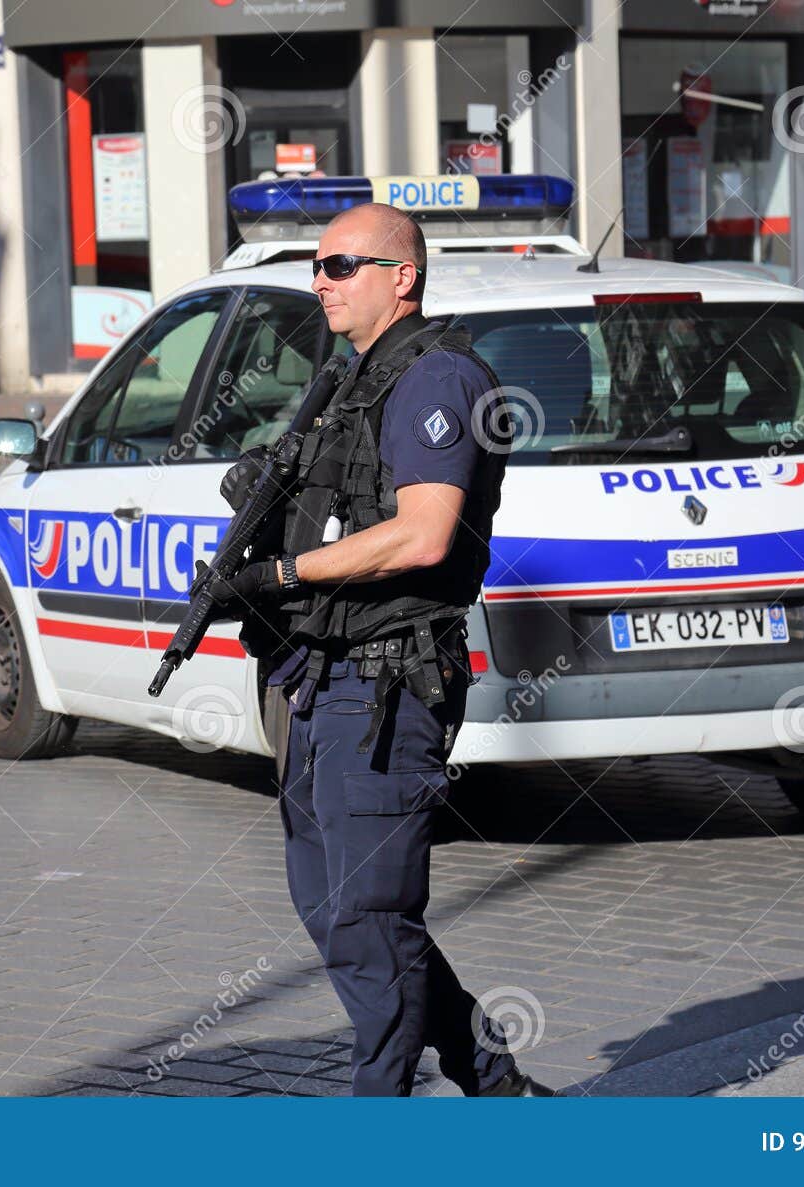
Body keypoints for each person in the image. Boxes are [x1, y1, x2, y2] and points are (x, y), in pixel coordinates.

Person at [216, 202, 554, 1097]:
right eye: (317, 266)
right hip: (323, 678)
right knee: (335, 907)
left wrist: (286, 573)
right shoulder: (353, 377)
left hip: (389, 685)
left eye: (340, 265)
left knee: (371, 911)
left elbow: (424, 534)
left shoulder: (438, 379)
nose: (320, 281)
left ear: (401, 278)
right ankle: (491, 1076)